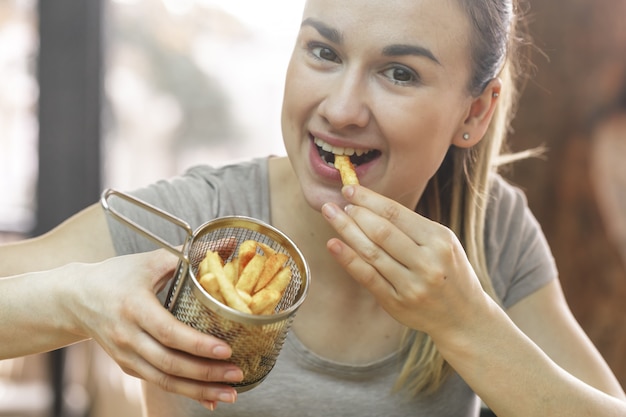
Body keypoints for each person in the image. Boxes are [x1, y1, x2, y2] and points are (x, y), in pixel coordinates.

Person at [1, 0, 625, 415]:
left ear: (475, 113)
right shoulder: (202, 218)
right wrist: (71, 299)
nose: (342, 108)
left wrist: (466, 322)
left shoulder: (491, 230)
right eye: (324, 53)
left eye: (399, 73)